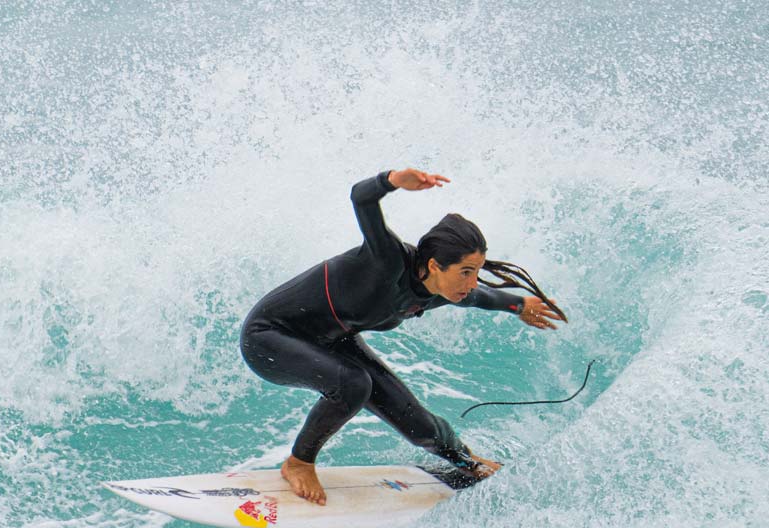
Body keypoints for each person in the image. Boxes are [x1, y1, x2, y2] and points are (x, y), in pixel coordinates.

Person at [239, 168, 565, 505]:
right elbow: (360, 198)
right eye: (466, 272)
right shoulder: (388, 260)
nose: (472, 282)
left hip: (330, 340)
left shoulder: (441, 290)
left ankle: (466, 462)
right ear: (436, 265)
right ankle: (299, 462)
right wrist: (392, 180)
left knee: (419, 423)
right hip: (268, 337)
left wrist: (520, 305)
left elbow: (482, 297)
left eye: (476, 272)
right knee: (353, 384)